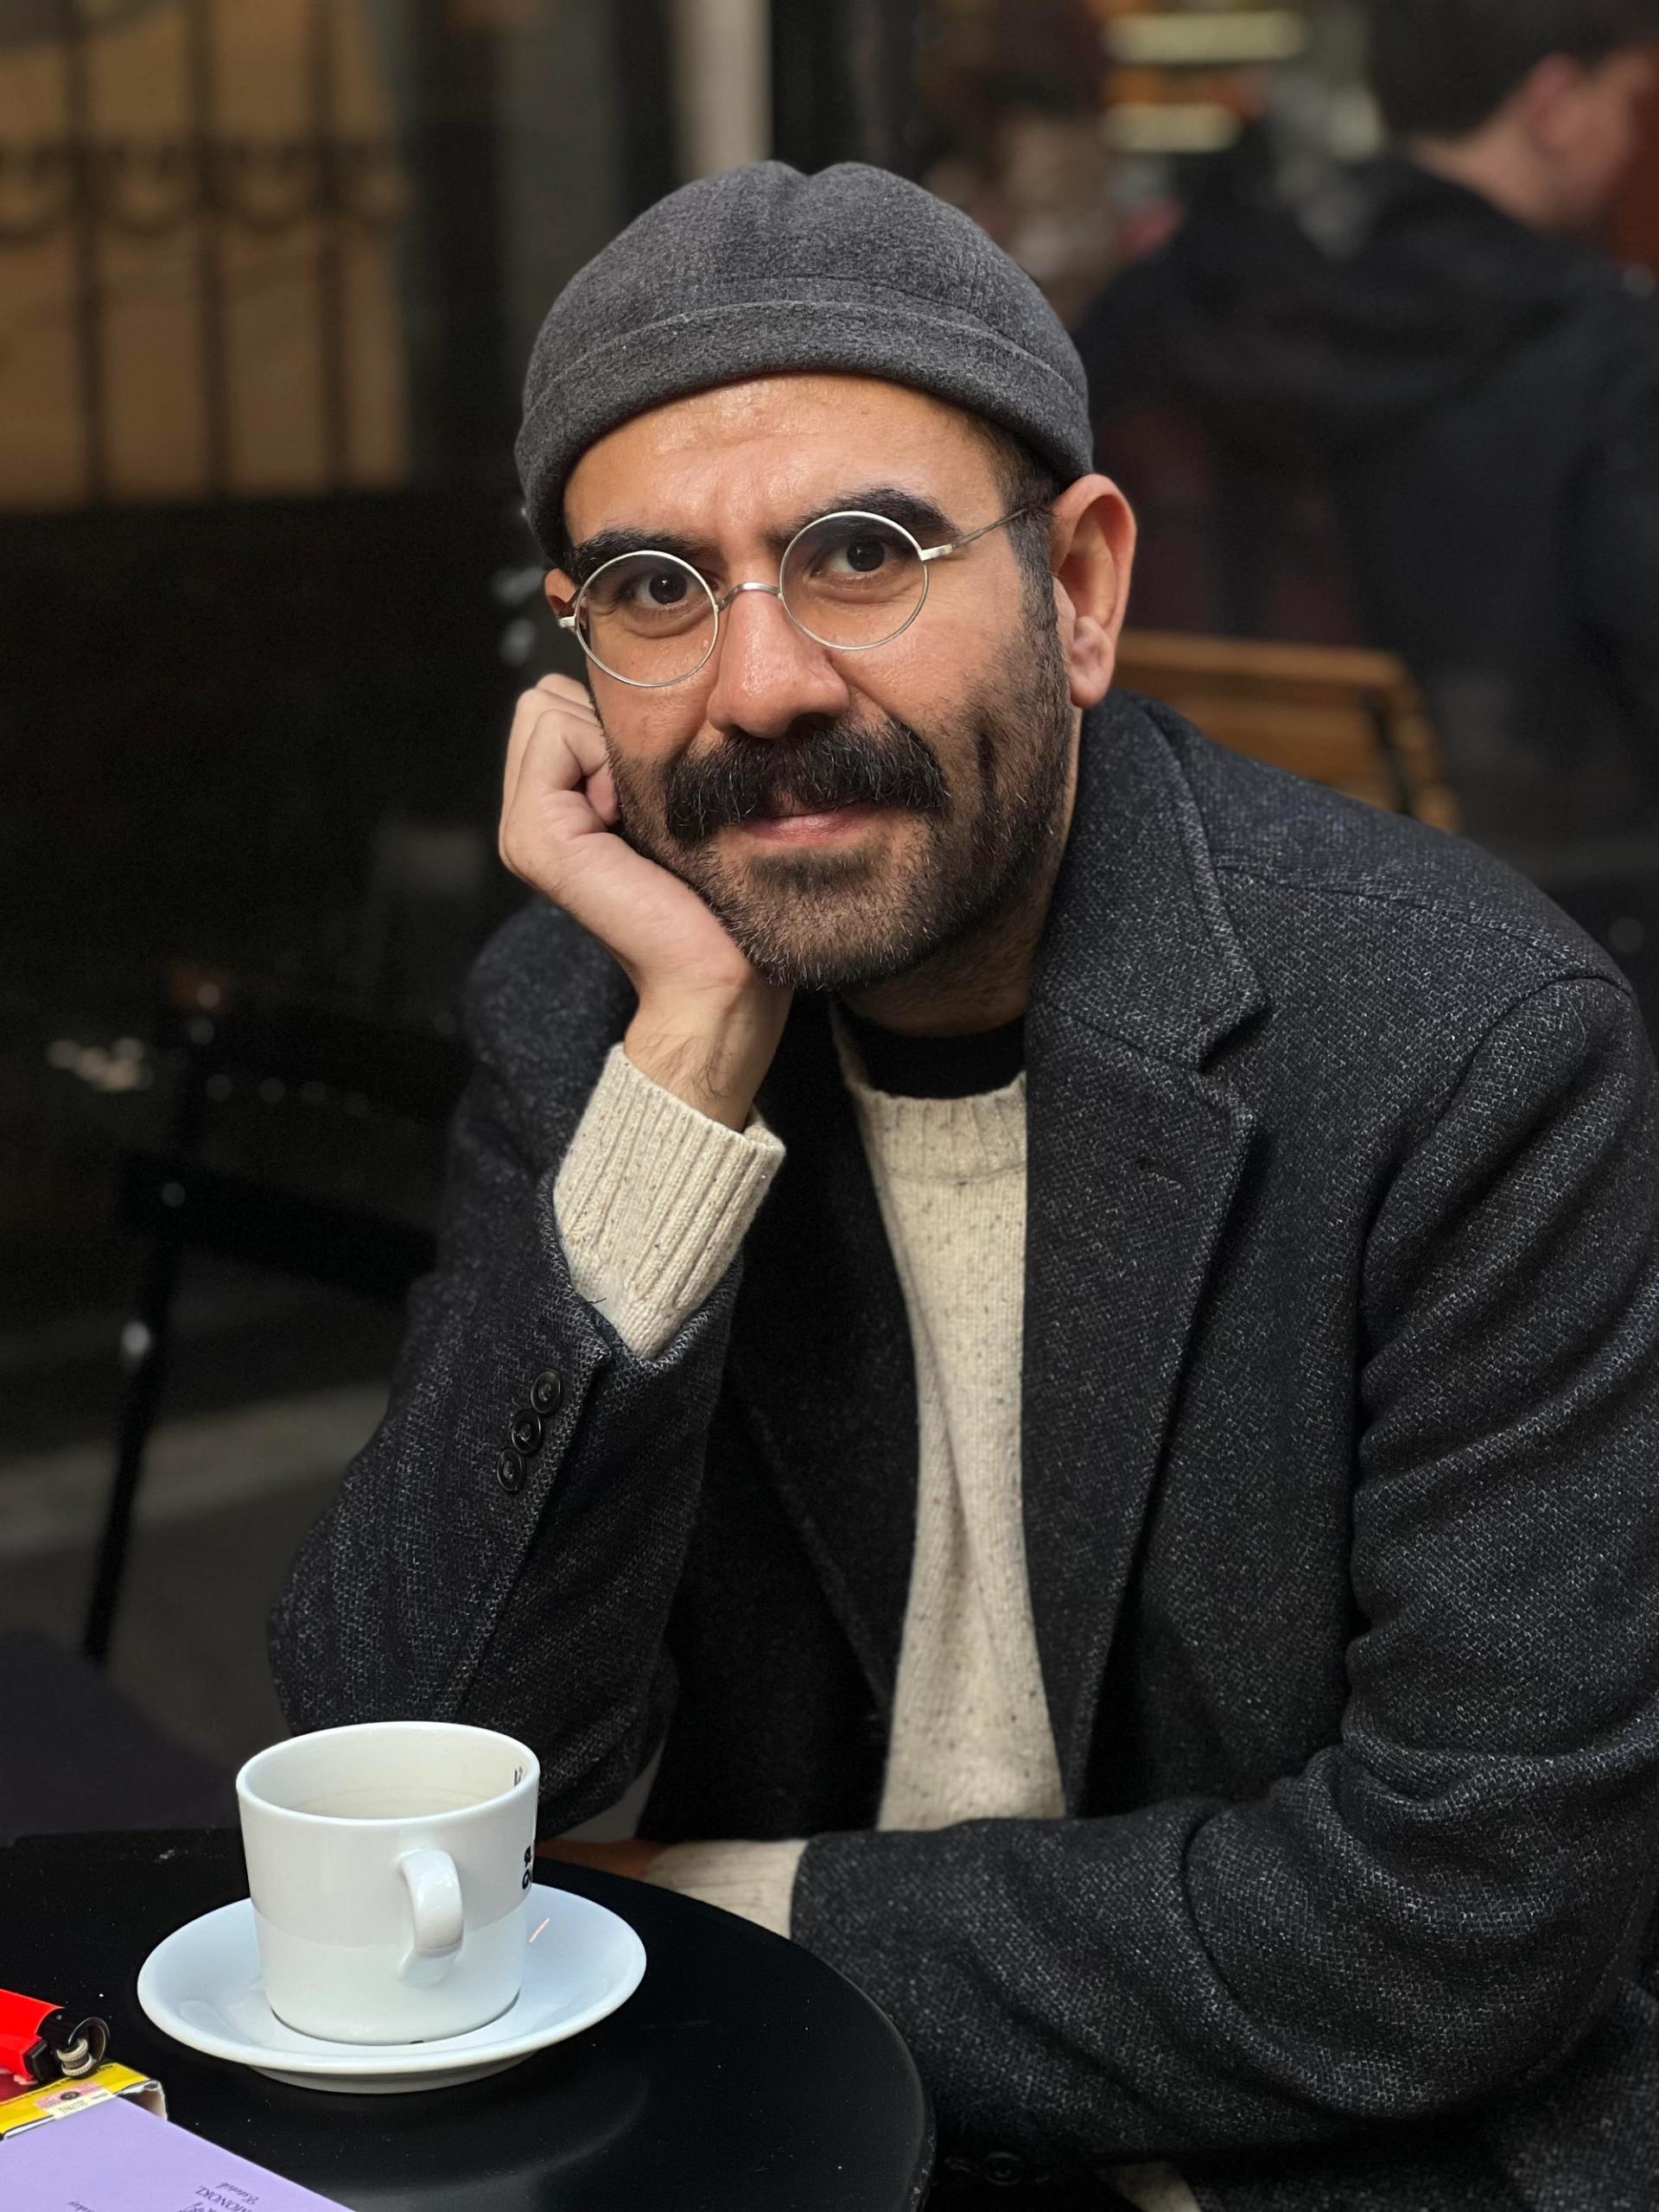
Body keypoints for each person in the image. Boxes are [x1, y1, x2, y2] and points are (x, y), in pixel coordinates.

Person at [270, 162, 1659, 2211]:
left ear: (1079, 588)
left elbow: (1465, 1910)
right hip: (796, 2140)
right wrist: (682, 1065)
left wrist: (723, 1909)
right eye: (654, 586)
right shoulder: (597, 1016)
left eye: (863, 554)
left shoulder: (1464, 1047)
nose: (761, 685)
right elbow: (407, 1786)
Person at [1076, 0, 1659, 909]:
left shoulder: (1188, 303)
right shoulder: (1605, 354)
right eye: (1630, 102)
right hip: (1541, 909)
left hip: (1196, 876)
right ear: (1553, 105)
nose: (1632, 139)